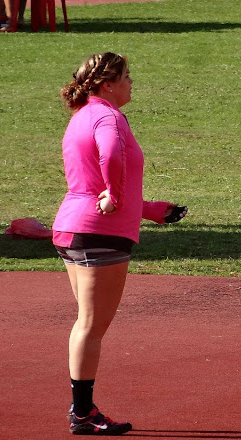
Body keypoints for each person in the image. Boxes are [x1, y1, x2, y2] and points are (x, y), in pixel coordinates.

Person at [53, 52, 188, 435]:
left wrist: (152, 211)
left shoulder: (82, 117)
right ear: (108, 84)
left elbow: (90, 184)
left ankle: (83, 410)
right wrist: (114, 193)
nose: (132, 82)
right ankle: (82, 414)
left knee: (86, 322)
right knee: (90, 325)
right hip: (99, 232)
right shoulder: (108, 116)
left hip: (74, 228)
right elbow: (110, 157)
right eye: (127, 77)